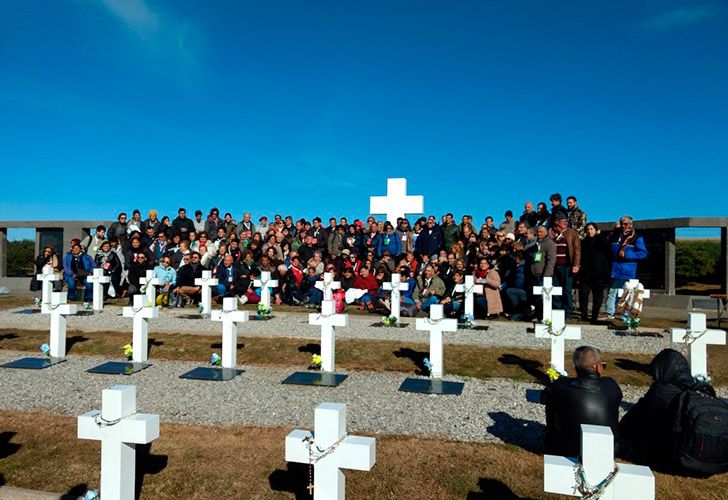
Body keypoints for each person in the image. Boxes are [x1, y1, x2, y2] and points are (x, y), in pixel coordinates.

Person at [619, 349, 714, 471]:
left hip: (673, 455)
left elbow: (631, 421)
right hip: (703, 454)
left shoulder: (661, 391)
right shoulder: (703, 390)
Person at [542, 346, 622, 457]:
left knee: (554, 404)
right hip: (608, 449)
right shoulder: (611, 385)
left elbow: (544, 399)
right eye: (603, 365)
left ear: (576, 367)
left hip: (564, 449)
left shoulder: (561, 385)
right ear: (597, 366)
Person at [604, 215, 648, 319]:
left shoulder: (637, 237)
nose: (624, 226)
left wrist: (628, 255)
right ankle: (610, 312)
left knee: (628, 293)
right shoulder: (616, 235)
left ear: (631, 224)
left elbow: (643, 253)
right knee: (612, 291)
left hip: (628, 270)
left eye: (626, 224)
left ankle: (626, 315)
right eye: (622, 224)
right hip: (615, 269)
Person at [550, 213, 581, 318]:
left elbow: (577, 249)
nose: (565, 223)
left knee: (567, 289)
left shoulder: (571, 233)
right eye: (562, 221)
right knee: (555, 289)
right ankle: (557, 310)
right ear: (556, 222)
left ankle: (568, 312)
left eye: (566, 221)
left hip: (567, 266)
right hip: (554, 266)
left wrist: (576, 264)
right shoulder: (552, 233)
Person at [578, 223, 610, 323]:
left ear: (596, 230)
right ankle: (584, 315)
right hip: (585, 274)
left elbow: (608, 258)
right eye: (587, 229)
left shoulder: (603, 242)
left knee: (598, 296)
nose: (589, 231)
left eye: (591, 229)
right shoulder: (583, 243)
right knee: (583, 296)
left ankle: (594, 316)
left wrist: (606, 275)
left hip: (599, 274)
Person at [526, 225, 556, 319]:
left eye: (541, 232)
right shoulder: (536, 244)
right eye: (538, 232)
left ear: (546, 232)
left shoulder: (550, 244)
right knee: (535, 297)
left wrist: (547, 275)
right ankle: (537, 314)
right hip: (534, 275)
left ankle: (543, 316)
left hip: (543, 276)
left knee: (542, 298)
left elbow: (551, 260)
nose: (539, 234)